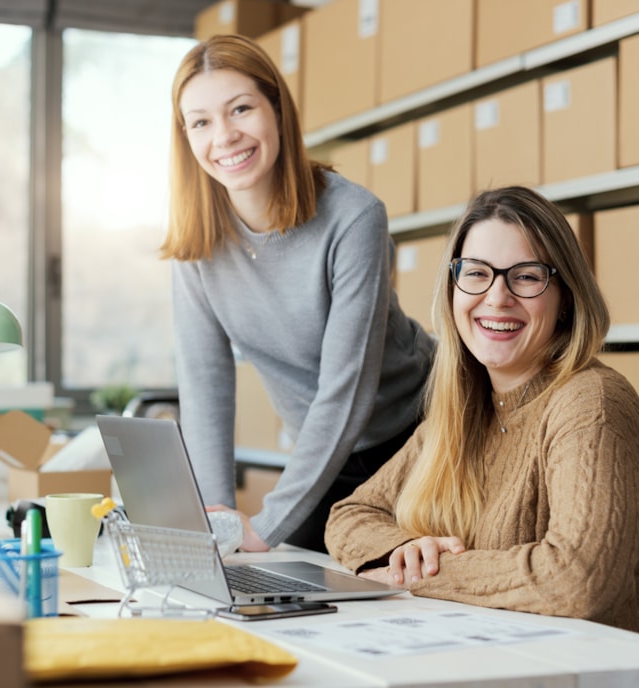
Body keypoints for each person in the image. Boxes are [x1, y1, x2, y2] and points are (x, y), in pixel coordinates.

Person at [325, 185, 639, 637]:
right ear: (453, 287)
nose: (496, 297)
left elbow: (578, 579)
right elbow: (349, 515)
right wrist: (404, 548)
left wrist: (425, 575)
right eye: (476, 273)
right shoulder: (463, 412)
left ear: (565, 297)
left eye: (525, 276)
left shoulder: (591, 402)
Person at [160, 34, 435, 553]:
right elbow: (204, 382)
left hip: (417, 435)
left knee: (396, 580)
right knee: (293, 580)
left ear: (277, 110)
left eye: (240, 108)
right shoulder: (196, 243)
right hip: (323, 452)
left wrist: (265, 527)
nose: (224, 136)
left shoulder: (353, 218)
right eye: (201, 121)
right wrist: (217, 516)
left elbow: (347, 387)